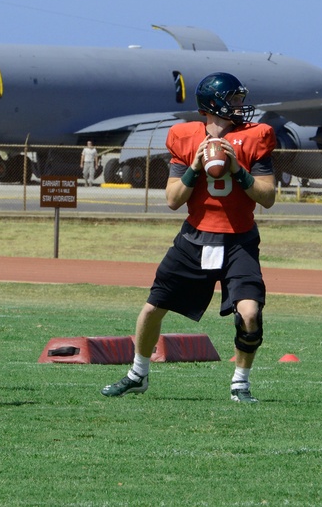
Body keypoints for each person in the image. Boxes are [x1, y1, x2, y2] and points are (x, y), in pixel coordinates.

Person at [101, 72, 276, 402]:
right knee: (153, 308)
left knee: (250, 314)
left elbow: (267, 197)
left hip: (239, 239)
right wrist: (195, 167)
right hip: (195, 238)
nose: (241, 106)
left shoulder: (257, 136)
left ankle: (240, 382)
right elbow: (172, 200)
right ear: (214, 105)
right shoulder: (184, 136)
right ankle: (138, 374)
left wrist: (238, 170)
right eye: (234, 100)